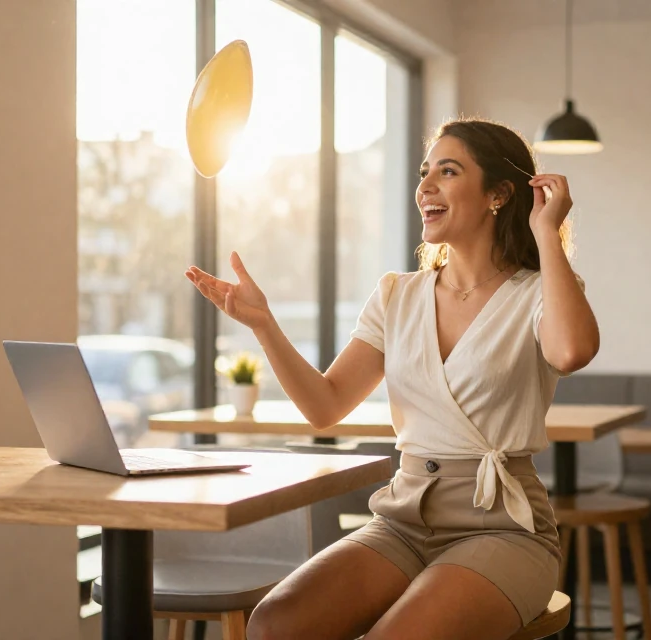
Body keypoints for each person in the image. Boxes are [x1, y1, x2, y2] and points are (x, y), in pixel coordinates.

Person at [185, 117, 600, 640]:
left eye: (448, 172)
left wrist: (547, 236)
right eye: (426, 172)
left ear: (499, 193)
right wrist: (264, 325)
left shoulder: (540, 290)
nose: (425, 186)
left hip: (504, 528)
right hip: (402, 520)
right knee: (273, 624)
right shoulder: (395, 295)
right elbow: (325, 406)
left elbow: (572, 350)